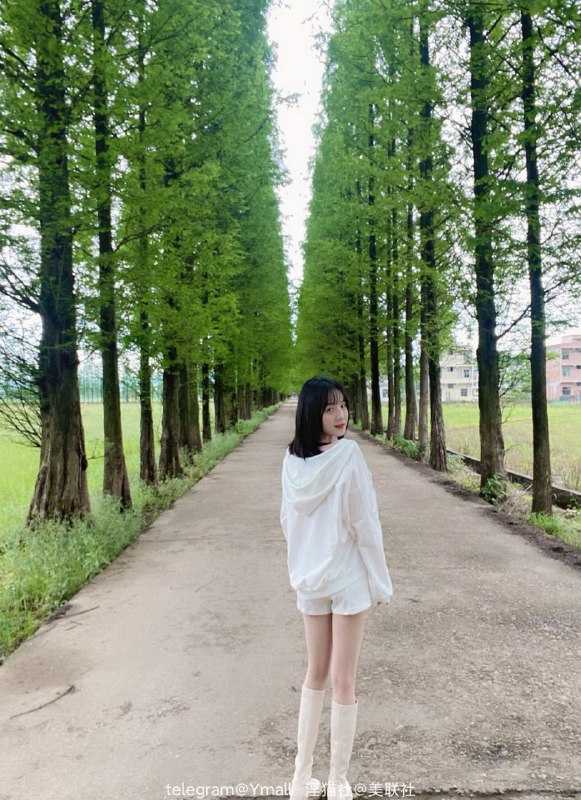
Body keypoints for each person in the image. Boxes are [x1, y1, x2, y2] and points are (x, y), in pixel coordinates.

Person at [280, 375, 393, 800]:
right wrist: (380, 582)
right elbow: (365, 525)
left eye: (342, 405)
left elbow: (287, 522)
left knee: (315, 675)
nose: (341, 414)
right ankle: (338, 782)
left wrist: (304, 562)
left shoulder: (292, 462)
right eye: (329, 408)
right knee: (343, 680)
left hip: (310, 581)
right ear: (313, 413)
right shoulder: (348, 456)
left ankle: (300, 779)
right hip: (346, 580)